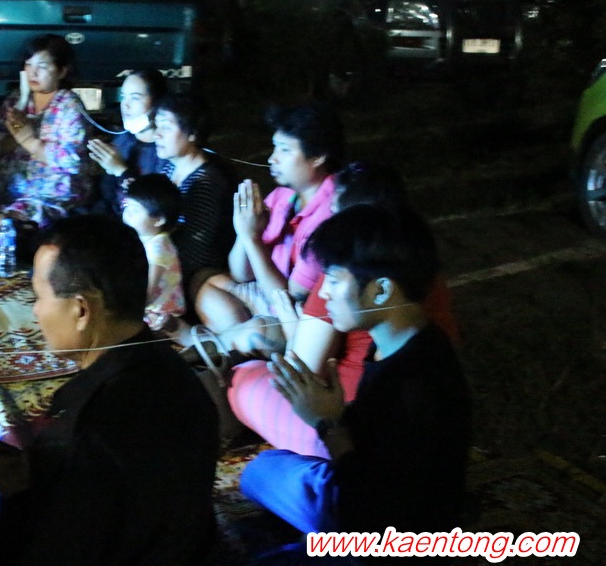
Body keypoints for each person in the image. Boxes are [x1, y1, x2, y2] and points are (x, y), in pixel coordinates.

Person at [0, 215, 219, 566]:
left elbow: (63, 552)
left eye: (39, 297)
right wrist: (30, 476)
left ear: (81, 310)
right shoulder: (173, 372)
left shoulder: (92, 428)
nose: (35, 311)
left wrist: (19, 493)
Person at [237, 205, 471, 566]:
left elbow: (365, 510)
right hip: (368, 502)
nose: (324, 293)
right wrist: (334, 416)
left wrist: (327, 423)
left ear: (381, 290)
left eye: (333, 279)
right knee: (260, 472)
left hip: (385, 549)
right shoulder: (402, 341)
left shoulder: (415, 385)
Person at [227, 161, 460, 455]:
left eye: (334, 212)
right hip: (364, 436)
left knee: (241, 381)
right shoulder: (420, 271)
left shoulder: (350, 270)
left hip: (345, 436)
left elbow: (300, 372)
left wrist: (326, 422)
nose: (326, 290)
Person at [191, 104, 345, 350]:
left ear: (318, 156)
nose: (272, 158)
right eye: (275, 147)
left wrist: (252, 238)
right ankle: (234, 345)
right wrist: (244, 232)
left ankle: (216, 347)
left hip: (301, 315)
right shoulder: (284, 196)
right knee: (206, 282)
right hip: (271, 297)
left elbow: (290, 296)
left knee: (258, 332)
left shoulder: (330, 214)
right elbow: (241, 274)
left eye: (284, 149)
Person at [0, 34, 92, 231]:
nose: (33, 73)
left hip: (55, 193)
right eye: (28, 65)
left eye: (42, 67)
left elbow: (72, 160)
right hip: (17, 188)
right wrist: (12, 135)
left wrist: (29, 141)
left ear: (62, 71)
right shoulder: (17, 100)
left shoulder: (70, 105)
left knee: (8, 229)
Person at [152, 93, 234, 301]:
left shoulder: (205, 183)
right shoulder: (169, 167)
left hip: (190, 277)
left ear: (192, 133)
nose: (157, 134)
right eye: (157, 126)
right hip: (163, 261)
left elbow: (195, 251)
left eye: (166, 127)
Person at [87, 69, 169, 215]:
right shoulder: (123, 138)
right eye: (123, 97)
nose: (125, 105)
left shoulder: (166, 149)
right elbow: (108, 198)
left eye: (135, 98)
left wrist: (121, 171)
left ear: (157, 103)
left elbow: (154, 208)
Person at [121, 174, 186, 331]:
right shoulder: (142, 237)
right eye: (127, 206)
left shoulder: (158, 247)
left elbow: (149, 291)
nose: (127, 213)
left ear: (159, 219)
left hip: (161, 311)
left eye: (135, 210)